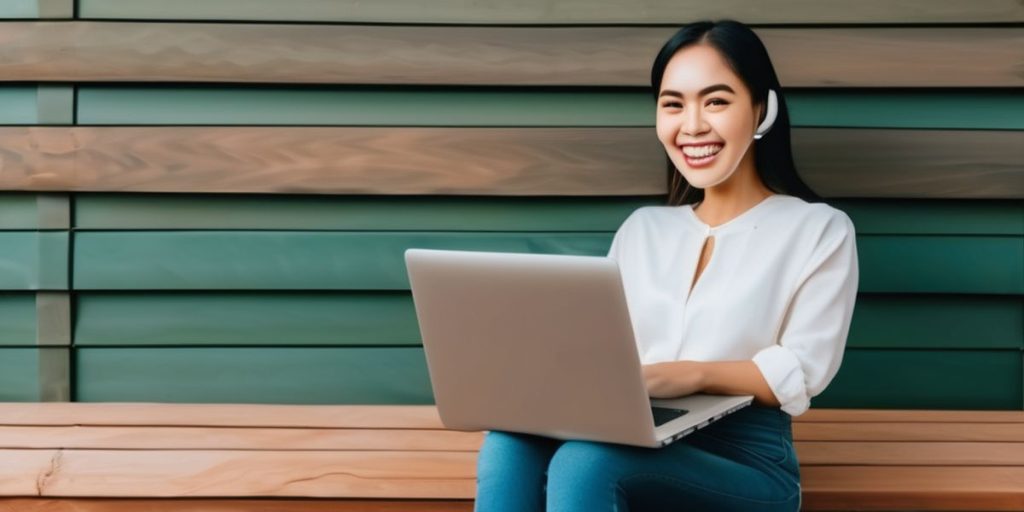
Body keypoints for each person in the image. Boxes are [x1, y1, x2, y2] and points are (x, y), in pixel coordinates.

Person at [474, 19, 859, 512]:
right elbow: (602, 350)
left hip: (743, 457)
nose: (692, 125)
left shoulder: (818, 229)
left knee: (585, 462)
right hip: (629, 429)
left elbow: (804, 369)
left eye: (716, 101)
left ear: (762, 109)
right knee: (509, 444)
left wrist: (690, 375)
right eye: (673, 104)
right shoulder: (643, 230)